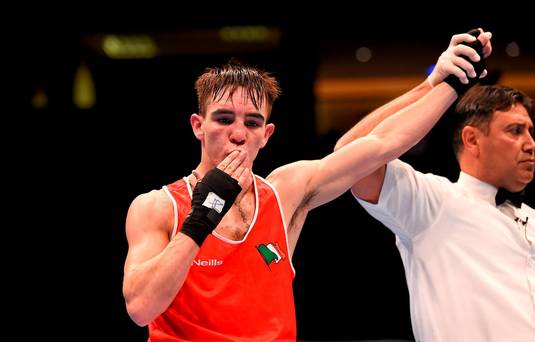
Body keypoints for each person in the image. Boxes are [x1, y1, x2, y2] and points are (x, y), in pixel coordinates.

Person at [122, 29, 491, 340]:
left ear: (266, 135)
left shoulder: (284, 192)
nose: (238, 134)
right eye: (223, 119)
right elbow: (140, 307)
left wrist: (444, 84)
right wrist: (202, 217)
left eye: (252, 123)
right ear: (197, 126)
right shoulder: (158, 207)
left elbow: (380, 145)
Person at [335, 31, 535, 341]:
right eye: (515, 131)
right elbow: (349, 157)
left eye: (530, 132)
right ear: (472, 140)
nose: (530, 144)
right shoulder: (435, 203)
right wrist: (432, 85)